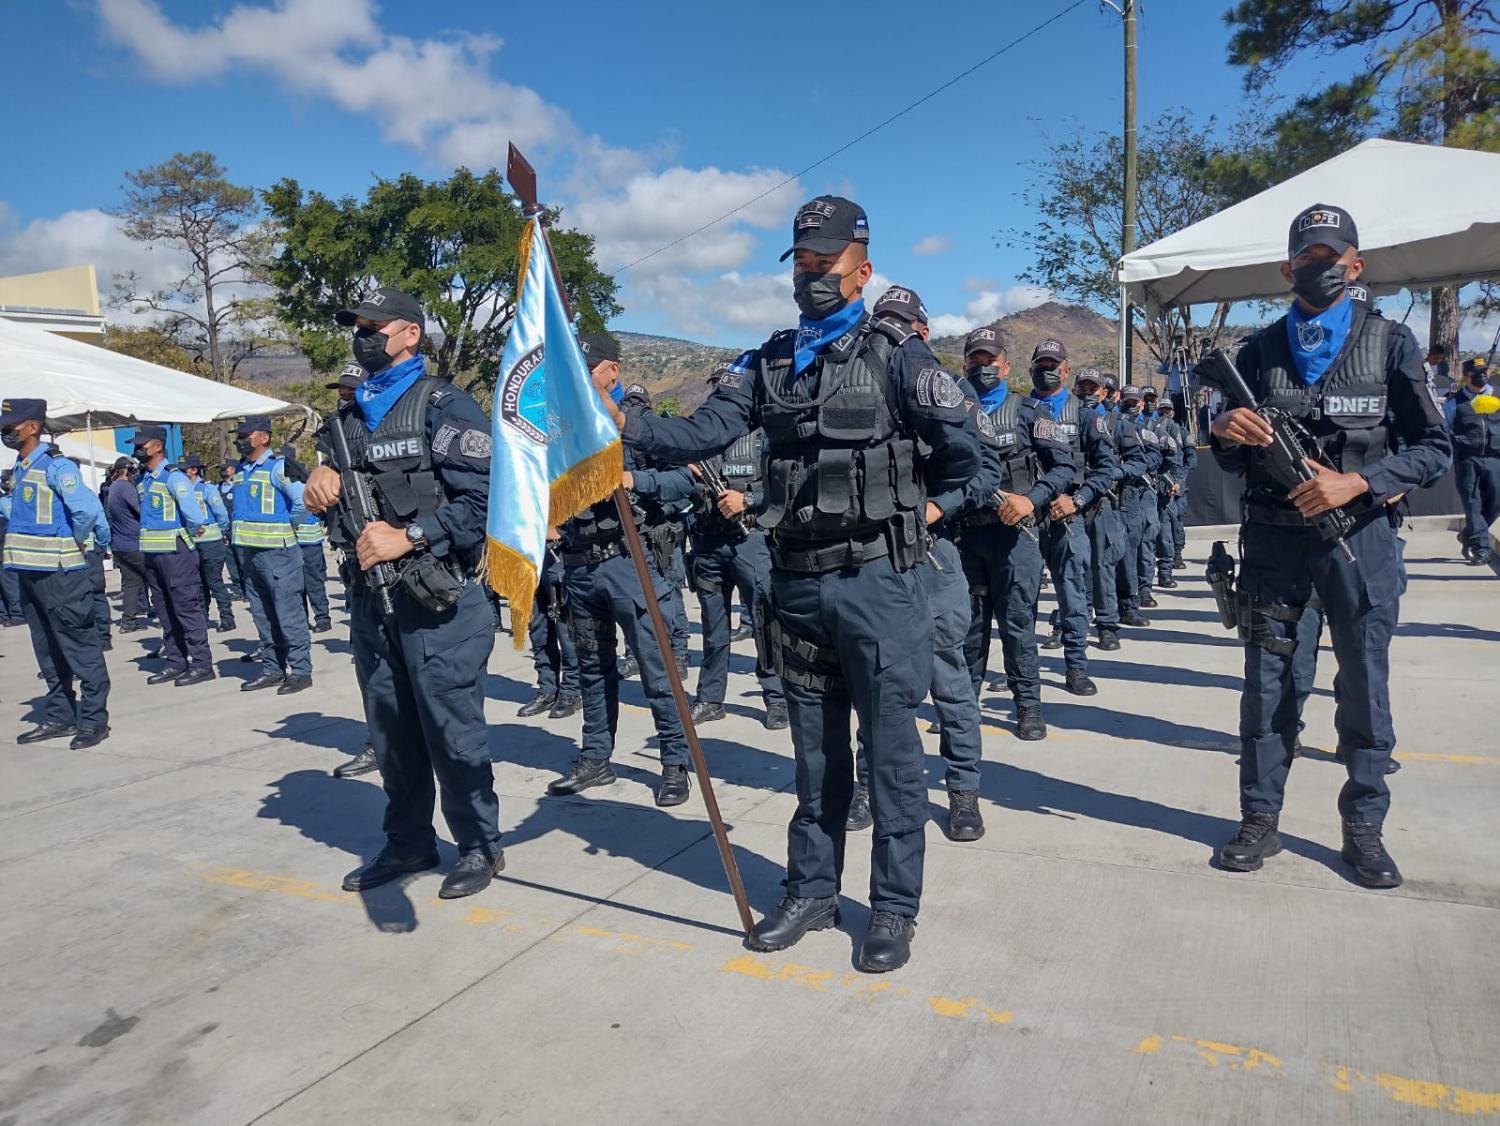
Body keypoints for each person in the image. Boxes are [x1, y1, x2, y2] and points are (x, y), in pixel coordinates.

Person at [605, 196, 981, 972]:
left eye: (826, 264)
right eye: (803, 263)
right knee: (815, 760)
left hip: (880, 584)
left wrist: (917, 514)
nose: (812, 276)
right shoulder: (770, 359)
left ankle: (893, 909)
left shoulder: (897, 357)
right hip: (798, 586)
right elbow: (703, 433)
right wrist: (623, 423)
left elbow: (964, 457)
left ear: (862, 271)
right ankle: (812, 891)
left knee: (891, 758)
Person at [1208, 203, 1450, 889]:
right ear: (1288, 268)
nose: (1321, 267)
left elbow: (1433, 448)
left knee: (1364, 691)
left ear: (1356, 263)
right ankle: (1260, 820)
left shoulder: (1390, 343)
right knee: (1269, 691)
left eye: (1332, 256)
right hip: (1277, 551)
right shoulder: (1255, 354)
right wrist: (1226, 430)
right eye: (1308, 258)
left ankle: (1364, 828)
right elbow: (1230, 464)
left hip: (1360, 543)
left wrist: (1360, 484)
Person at [304, 288, 503, 899]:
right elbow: (338, 486)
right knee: (390, 728)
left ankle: (477, 846)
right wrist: (317, 478)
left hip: (440, 598)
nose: (361, 336)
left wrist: (411, 535)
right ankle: (410, 841)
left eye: (373, 326)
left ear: (410, 333)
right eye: (355, 326)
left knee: (451, 729)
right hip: (371, 599)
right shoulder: (348, 417)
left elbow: (486, 499)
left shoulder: (443, 406)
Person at [848, 287, 989, 841]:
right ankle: (867, 786)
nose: (889, 330)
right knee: (874, 684)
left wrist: (938, 507)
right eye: (882, 319)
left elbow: (985, 471)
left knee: (949, 683)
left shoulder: (947, 392)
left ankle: (963, 793)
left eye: (900, 323)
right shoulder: (856, 388)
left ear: (922, 332)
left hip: (931, 557)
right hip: (874, 558)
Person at [547, 332, 698, 807]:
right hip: (579, 565)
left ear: (612, 371)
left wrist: (634, 479)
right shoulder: (562, 430)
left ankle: (675, 762)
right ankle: (596, 756)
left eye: (587, 371)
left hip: (630, 563)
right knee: (591, 668)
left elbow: (687, 482)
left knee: (659, 670)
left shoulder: (642, 427)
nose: (578, 382)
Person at [951, 326, 1073, 744]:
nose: (983, 367)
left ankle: (1028, 707)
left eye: (990, 360)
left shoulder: (1027, 411)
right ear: (964, 364)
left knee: (1018, 626)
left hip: (1015, 535)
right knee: (968, 628)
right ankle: (964, 710)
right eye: (975, 359)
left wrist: (1031, 500)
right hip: (966, 536)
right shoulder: (953, 411)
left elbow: (1064, 467)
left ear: (1005, 364)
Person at [1, 399, 112, 748]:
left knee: (80, 648)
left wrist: (75, 543)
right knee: (47, 651)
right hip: (30, 573)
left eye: (12, 425)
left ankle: (93, 720)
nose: (6, 431)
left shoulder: (57, 467)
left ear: (33, 427)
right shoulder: (20, 468)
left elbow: (86, 512)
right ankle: (60, 716)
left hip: (61, 575)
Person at [685, 364, 787, 731]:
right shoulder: (701, 439)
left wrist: (748, 499)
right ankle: (710, 699)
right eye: (717, 392)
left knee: (764, 622)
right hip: (708, 543)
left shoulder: (764, 434)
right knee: (713, 629)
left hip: (750, 541)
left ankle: (776, 698)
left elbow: (785, 484)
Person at [1032, 340, 1118, 696]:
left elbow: (1105, 470)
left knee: (1072, 595)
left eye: (1054, 364)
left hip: (1068, 517)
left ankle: (1076, 667)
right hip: (1026, 519)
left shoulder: (1085, 416)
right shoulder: (1020, 410)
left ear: (1066, 370)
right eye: (1041, 364)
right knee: (1021, 600)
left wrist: (1077, 499)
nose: (1047, 370)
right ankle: (1019, 671)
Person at [230, 417, 313, 694]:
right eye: (239, 434)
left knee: (288, 615)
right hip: (249, 554)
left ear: (264, 437)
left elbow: (304, 501)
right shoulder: (242, 469)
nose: (241, 439)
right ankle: (272, 669)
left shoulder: (278, 467)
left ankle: (300, 670)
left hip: (279, 553)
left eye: (246, 434)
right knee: (262, 615)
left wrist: (291, 524)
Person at [133, 426, 215, 686]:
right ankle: (175, 661)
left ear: (157, 446)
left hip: (175, 552)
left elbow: (193, 515)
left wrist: (192, 533)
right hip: (153, 553)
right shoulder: (145, 479)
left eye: (141, 445)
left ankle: (202, 664)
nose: (137, 449)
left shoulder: (173, 478)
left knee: (186, 609)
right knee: (165, 611)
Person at [1074, 368, 1139, 650]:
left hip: (1102, 502)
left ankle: (1107, 624)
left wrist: (1116, 473)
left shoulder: (1119, 423)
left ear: (1105, 392)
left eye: (1093, 388)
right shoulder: (1066, 416)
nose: (1088, 392)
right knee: (1072, 567)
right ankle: (1071, 621)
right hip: (1069, 500)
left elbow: (1141, 460)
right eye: (1083, 388)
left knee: (1102, 566)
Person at [516, 534, 582, 719]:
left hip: (557, 551)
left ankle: (572, 690)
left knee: (566, 630)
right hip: (527, 553)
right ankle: (547, 689)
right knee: (538, 629)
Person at [1444, 357, 1499, 566]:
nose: (1482, 376)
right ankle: (1481, 549)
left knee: (1495, 504)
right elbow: (1446, 430)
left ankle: (1469, 533)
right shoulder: (1454, 403)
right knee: (1472, 504)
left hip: (1495, 458)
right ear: (1465, 376)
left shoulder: (1497, 397)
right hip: (1467, 460)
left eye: (1484, 372)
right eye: (1476, 373)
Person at [181, 454, 235, 631]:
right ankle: (202, 619)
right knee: (199, 584)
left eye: (185, 469)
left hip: (211, 542)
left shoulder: (207, 489)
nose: (182, 473)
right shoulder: (181, 490)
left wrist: (222, 531)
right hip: (193, 544)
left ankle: (227, 618)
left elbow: (221, 514)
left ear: (194, 470)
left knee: (214, 582)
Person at [105, 456, 150, 632]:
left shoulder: (113, 487)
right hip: (133, 542)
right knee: (155, 577)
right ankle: (166, 617)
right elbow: (140, 510)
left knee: (131, 583)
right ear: (128, 471)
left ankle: (128, 622)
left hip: (119, 544)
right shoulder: (126, 487)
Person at [1153, 399, 1186, 587]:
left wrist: (1178, 481)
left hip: (1166, 487)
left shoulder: (1176, 431)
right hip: (1146, 489)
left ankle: (1166, 570)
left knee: (1168, 530)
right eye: (1162, 409)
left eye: (1168, 409)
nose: (1164, 412)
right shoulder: (1146, 426)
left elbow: (1179, 460)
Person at [295, 510, 333, 632]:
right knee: (296, 586)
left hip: (309, 540)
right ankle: (302, 621)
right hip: (291, 541)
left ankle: (323, 619)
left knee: (314, 583)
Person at [0, 470, 23, 625]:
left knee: (9, 581)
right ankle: (4, 615)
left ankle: (17, 614)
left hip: (7, 546)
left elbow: (12, 518)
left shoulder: (6, 501)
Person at [218, 463, 244, 599]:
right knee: (231, 560)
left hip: (238, 528)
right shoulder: (218, 488)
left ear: (233, 469)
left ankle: (247, 589)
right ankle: (238, 589)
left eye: (225, 468)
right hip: (225, 530)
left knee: (242, 559)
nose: (222, 471)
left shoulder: (238, 487)